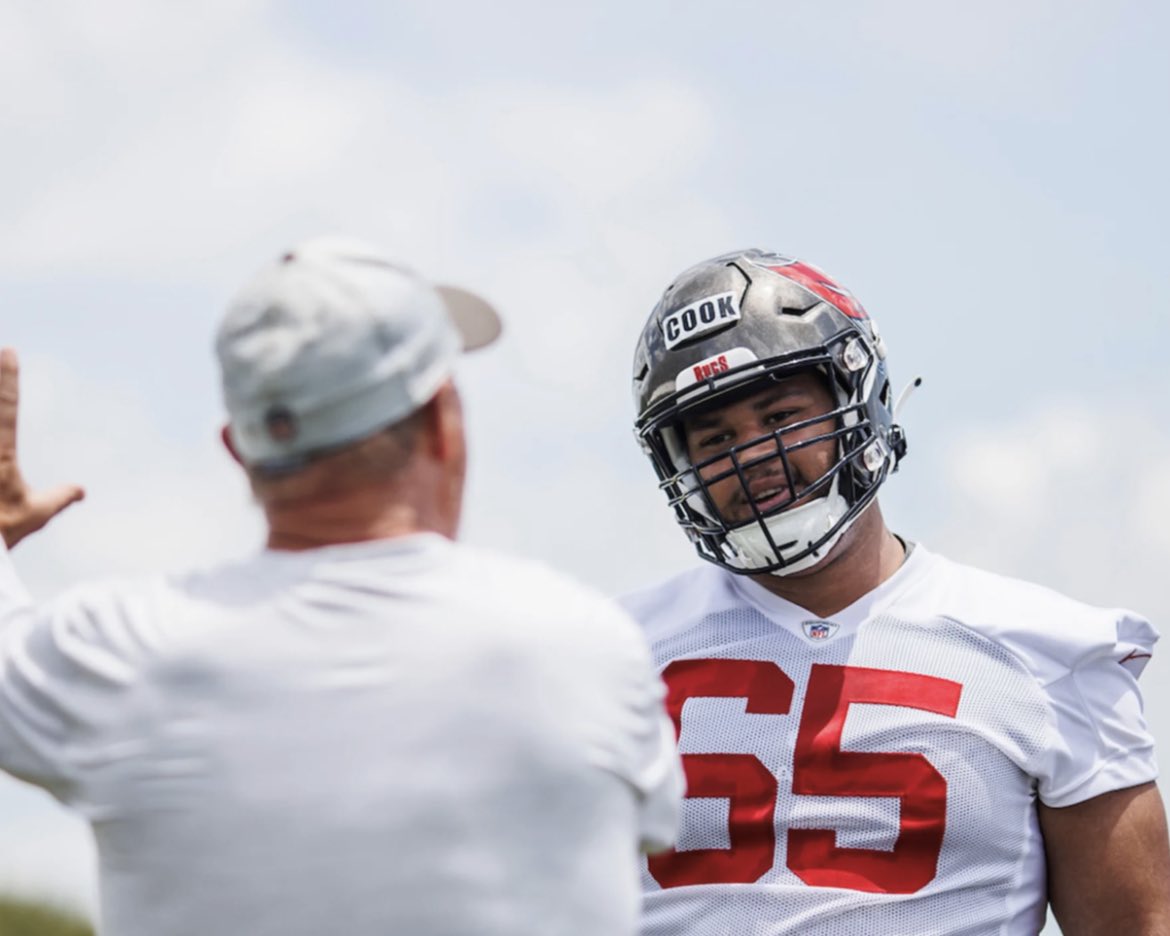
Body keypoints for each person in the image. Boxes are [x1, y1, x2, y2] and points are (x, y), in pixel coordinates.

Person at [0, 236, 683, 936]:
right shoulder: (585, 645)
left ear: (239, 451)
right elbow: (655, 831)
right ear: (444, 422)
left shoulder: (114, 650)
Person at [623, 248, 1170, 935]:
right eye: (715, 437)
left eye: (781, 416)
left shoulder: (1047, 650)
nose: (753, 454)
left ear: (856, 396)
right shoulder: (606, 660)